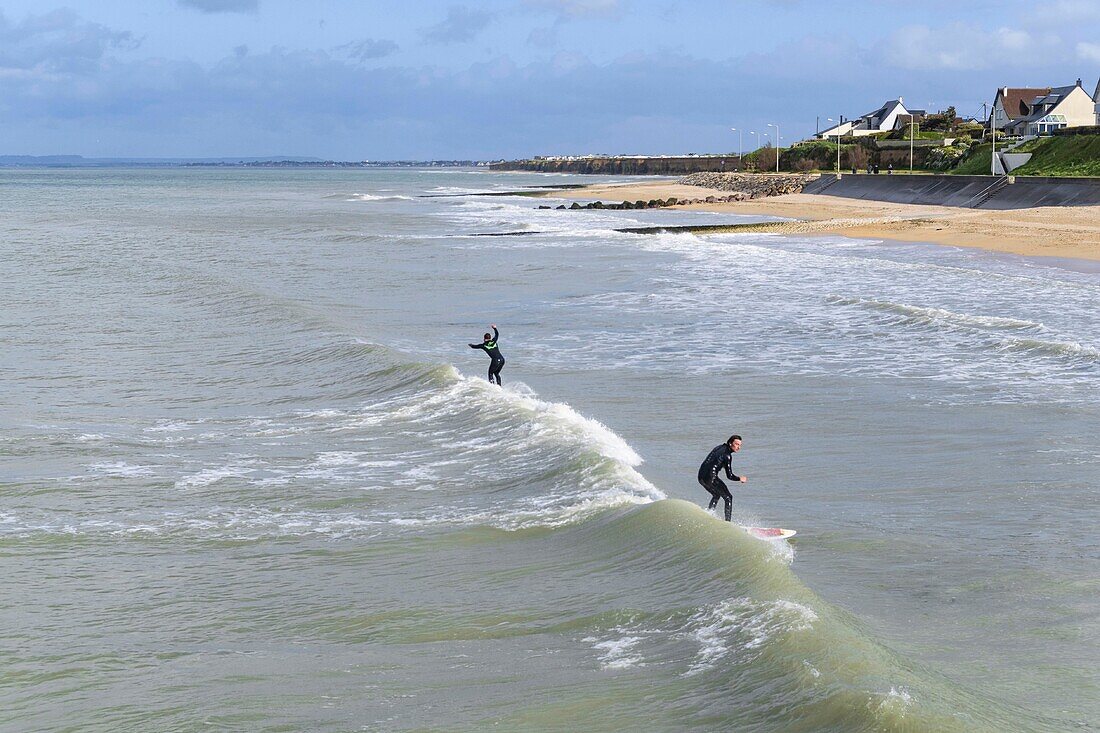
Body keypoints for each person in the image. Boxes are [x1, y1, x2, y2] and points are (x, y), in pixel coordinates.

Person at [697, 434, 747, 522]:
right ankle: (728, 522)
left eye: (740, 445)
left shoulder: (719, 447)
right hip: (710, 477)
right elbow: (730, 476)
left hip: (701, 476)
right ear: (730, 443)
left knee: (716, 494)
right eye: (736, 444)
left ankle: (709, 513)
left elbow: (714, 461)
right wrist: (740, 478)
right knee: (728, 497)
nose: (739, 447)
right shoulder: (727, 456)